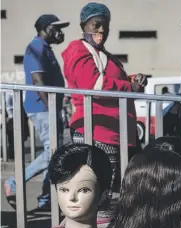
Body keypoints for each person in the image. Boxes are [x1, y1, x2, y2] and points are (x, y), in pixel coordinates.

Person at [61, 2, 147, 208]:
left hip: (115, 133)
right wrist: (130, 87)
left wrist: (134, 79)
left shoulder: (103, 54)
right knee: (101, 194)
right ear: (84, 25)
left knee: (115, 191)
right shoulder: (78, 48)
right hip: (97, 132)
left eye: (105, 26)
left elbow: (112, 80)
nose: (101, 30)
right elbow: (93, 84)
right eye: (96, 24)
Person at [3, 14, 69, 210]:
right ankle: (14, 183)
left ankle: (46, 200)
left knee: (54, 153)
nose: (60, 32)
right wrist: (52, 108)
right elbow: (38, 80)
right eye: (56, 28)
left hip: (48, 106)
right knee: (52, 152)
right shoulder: (36, 48)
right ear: (45, 28)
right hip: (42, 107)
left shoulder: (45, 48)